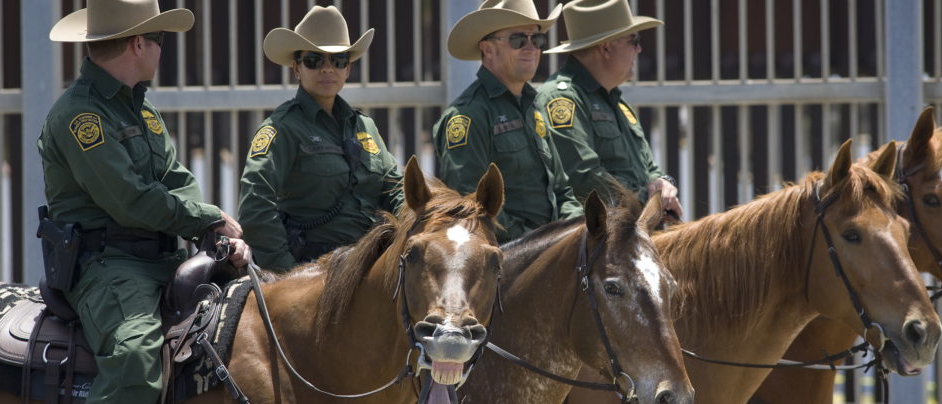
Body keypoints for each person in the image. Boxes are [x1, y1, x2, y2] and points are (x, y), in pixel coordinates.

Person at [39, 1, 251, 404]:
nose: (162, 50)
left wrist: (212, 232)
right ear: (139, 44)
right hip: (108, 268)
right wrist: (207, 218)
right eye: (160, 39)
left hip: (162, 261)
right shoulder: (80, 116)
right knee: (135, 358)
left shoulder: (143, 110)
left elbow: (177, 179)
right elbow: (130, 200)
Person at [238, 6, 403, 272]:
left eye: (338, 60)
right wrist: (288, 273)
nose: (327, 69)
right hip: (312, 272)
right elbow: (255, 206)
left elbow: (396, 191)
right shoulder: (282, 128)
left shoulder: (365, 127)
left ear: (348, 69)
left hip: (370, 269)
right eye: (315, 60)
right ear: (297, 68)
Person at [435, 0, 581, 242]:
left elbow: (562, 189)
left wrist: (575, 227)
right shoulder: (467, 116)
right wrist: (537, 241)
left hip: (553, 248)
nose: (531, 48)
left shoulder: (532, 107)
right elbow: (471, 206)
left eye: (537, 39)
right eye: (518, 40)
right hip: (508, 257)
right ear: (488, 49)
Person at [537, 0, 683, 219]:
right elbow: (584, 178)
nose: (639, 49)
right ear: (605, 47)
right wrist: (649, 201)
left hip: (632, 228)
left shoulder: (614, 99)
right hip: (597, 239)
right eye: (634, 41)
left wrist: (664, 184)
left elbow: (647, 168)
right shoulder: (561, 98)